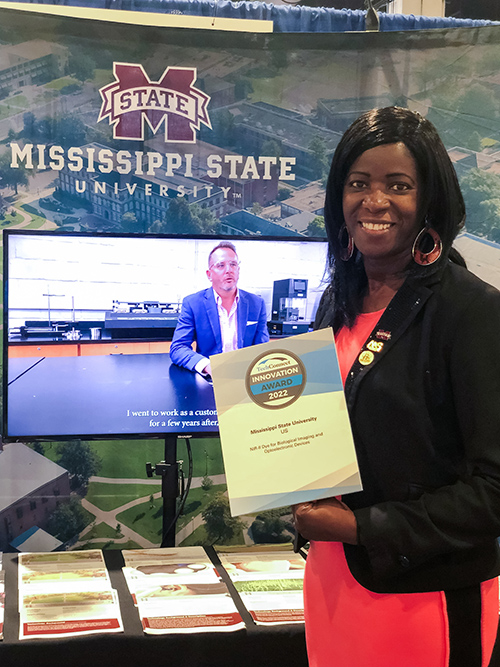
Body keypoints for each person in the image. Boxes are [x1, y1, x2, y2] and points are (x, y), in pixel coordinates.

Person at [292, 107, 500, 667]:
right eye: (358, 183)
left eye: (398, 185)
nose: (374, 201)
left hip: (425, 598)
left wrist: (362, 526)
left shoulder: (472, 312)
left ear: (429, 200)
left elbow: (494, 492)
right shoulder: (336, 303)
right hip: (332, 582)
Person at [169, 241, 269, 376]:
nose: (228, 270)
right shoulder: (193, 303)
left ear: (238, 270)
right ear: (209, 274)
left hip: (246, 378)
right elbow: (178, 348)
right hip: (211, 379)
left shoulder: (257, 304)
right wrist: (208, 366)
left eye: (233, 264)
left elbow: (263, 349)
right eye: (221, 265)